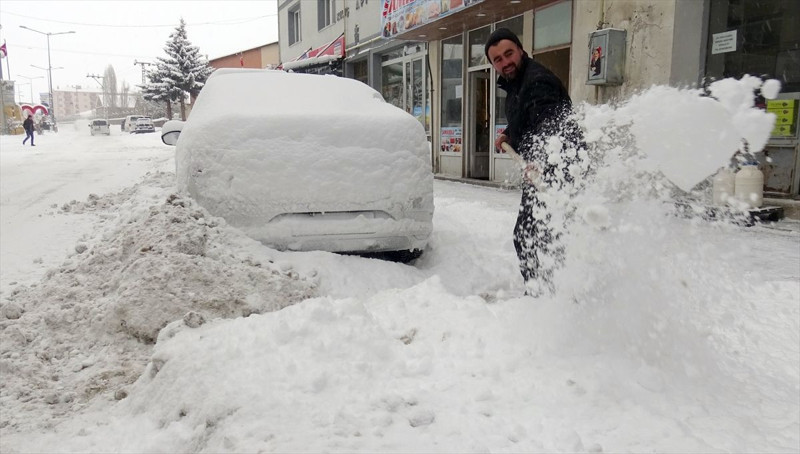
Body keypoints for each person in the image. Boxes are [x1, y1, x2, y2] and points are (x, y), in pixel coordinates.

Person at [485, 28, 585, 297]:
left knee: (532, 236)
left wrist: (539, 162)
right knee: (540, 236)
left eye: (508, 54)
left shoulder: (538, 80)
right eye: (497, 59)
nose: (505, 62)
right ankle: (552, 292)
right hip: (543, 171)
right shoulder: (517, 83)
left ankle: (545, 296)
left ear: (520, 50)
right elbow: (527, 120)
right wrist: (509, 134)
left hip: (555, 172)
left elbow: (550, 126)